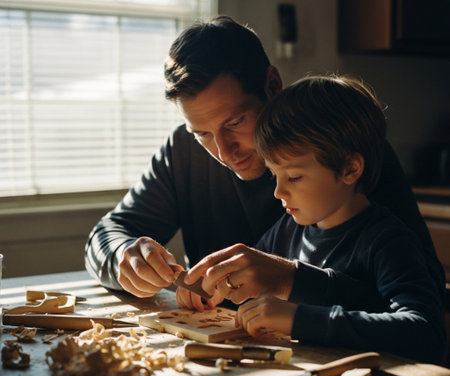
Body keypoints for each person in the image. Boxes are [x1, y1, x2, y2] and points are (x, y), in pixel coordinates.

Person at [84, 17, 444, 319]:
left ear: (272, 85)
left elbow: (424, 302)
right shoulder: (183, 150)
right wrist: (123, 256)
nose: (224, 151)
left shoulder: (339, 148)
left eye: (235, 121)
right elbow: (107, 233)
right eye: (203, 134)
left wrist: (292, 280)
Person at [183, 75, 446, 364]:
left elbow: (426, 332)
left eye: (294, 177)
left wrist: (300, 319)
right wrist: (209, 289)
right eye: (275, 175)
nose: (278, 191)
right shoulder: (287, 230)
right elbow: (248, 288)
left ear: (349, 169)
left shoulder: (387, 240)